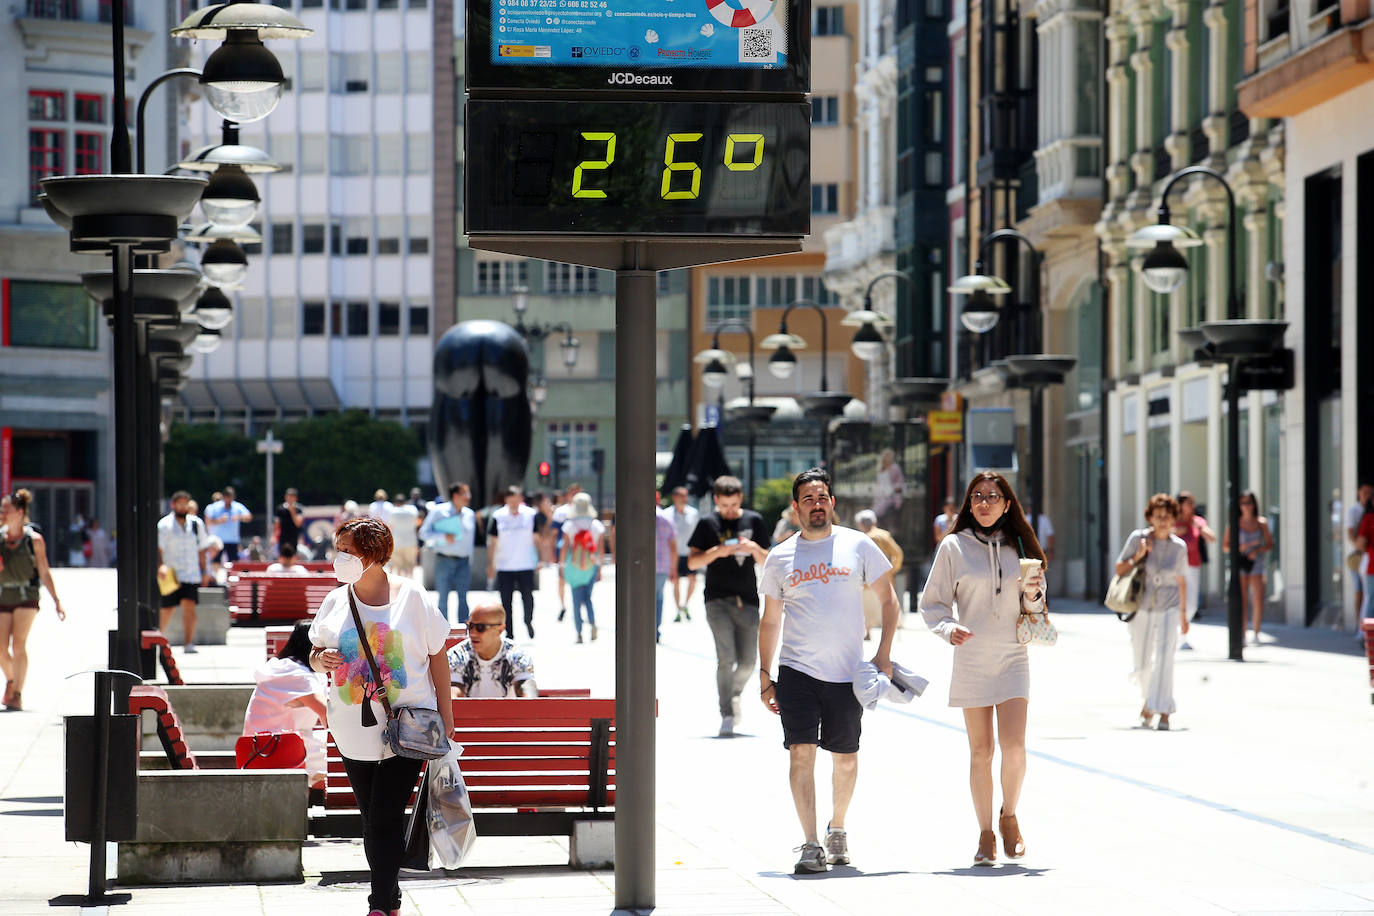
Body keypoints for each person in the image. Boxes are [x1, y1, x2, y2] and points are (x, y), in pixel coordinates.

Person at [307, 515, 453, 916]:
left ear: (374, 556)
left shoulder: (413, 597)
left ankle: (377, 904)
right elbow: (314, 654)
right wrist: (322, 660)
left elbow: (438, 654)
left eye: (348, 551)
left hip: (408, 728)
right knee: (372, 817)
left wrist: (446, 715)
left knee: (386, 815)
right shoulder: (336, 600)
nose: (339, 559)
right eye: (338, 550)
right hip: (350, 729)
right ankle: (392, 902)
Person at [758, 469, 897, 873]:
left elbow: (889, 602)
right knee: (801, 753)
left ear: (832, 503)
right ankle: (810, 843)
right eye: (808, 498)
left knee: (846, 757)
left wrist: (884, 654)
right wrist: (765, 675)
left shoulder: (859, 545)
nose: (816, 504)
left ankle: (837, 827)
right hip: (797, 671)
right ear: (796, 506)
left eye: (822, 497)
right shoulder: (780, 556)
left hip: (847, 672)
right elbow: (770, 621)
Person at [919, 471, 1048, 866]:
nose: (985, 503)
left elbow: (1038, 610)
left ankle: (1008, 815)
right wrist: (948, 627)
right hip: (972, 658)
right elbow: (933, 604)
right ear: (969, 503)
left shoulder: (1021, 547)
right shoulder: (953, 547)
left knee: (1013, 749)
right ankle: (985, 834)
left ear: (1007, 504)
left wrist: (1034, 594)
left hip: (1013, 656)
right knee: (981, 752)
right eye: (977, 496)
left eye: (993, 496)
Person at [688, 475, 771, 737]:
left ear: (741, 499)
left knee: (748, 661)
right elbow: (691, 563)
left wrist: (753, 547)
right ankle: (727, 712)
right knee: (726, 658)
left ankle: (733, 693)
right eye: (724, 506)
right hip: (717, 600)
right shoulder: (707, 523)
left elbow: (768, 561)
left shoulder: (753, 521)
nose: (729, 511)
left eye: (734, 506)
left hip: (747, 600)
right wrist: (717, 551)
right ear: (716, 501)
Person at [1116, 494, 1189, 730]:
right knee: (1143, 663)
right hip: (1142, 605)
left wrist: (1184, 615)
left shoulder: (1179, 547)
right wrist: (1139, 555)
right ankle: (1149, 702)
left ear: (1173, 518)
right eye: (1158, 516)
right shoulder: (1138, 539)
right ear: (1150, 517)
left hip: (1169, 605)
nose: (1163, 521)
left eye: (1167, 516)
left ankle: (1164, 709)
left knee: (1166, 657)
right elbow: (1119, 568)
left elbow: (1181, 580)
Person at [0, 489, 66, 712]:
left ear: (19, 512)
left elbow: (44, 572)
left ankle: (17, 693)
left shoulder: (34, 540)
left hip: (27, 596)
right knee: (1, 648)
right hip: (3, 595)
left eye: (6, 509)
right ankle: (11, 679)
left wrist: (56, 600)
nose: (2, 512)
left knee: (18, 644)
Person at [242, 620, 328, 789]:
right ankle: (322, 805)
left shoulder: (285, 667)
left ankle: (316, 803)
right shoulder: (297, 675)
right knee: (334, 755)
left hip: (262, 746)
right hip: (274, 748)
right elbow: (328, 715)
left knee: (326, 748)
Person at [157, 490, 211, 655]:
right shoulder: (164, 525)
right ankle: (159, 640)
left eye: (185, 503)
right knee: (167, 608)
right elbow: (159, 549)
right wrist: (160, 566)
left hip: (191, 572)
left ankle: (189, 643)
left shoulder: (196, 524)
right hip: (171, 573)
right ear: (174, 505)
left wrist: (205, 571)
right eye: (179, 503)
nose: (182, 506)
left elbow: (203, 549)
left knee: (189, 607)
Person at [448, 603, 538, 697]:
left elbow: (527, 688)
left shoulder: (517, 656)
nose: (473, 633)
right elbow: (453, 689)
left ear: (500, 629)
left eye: (480, 627)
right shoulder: (457, 655)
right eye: (470, 626)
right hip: (467, 712)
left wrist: (530, 698)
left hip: (508, 712)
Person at [420, 483, 478, 625]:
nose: (468, 497)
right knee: (443, 599)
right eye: (465, 493)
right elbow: (423, 533)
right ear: (455, 496)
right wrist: (443, 536)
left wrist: (470, 560)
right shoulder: (439, 511)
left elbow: (470, 541)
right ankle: (442, 632)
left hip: (464, 561)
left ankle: (464, 631)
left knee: (463, 598)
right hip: (444, 560)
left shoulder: (469, 514)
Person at [487, 485, 540, 640]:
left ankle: (528, 621)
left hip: (525, 564)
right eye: (511, 500)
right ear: (506, 500)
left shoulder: (530, 514)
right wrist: (491, 564)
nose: (514, 503)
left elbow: (537, 538)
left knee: (528, 597)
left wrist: (541, 558)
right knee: (506, 602)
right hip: (505, 566)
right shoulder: (498, 516)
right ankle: (510, 633)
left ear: (521, 499)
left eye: (517, 499)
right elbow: (493, 542)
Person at [1223, 490, 1275, 646]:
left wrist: (1256, 549)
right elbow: (1225, 547)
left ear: (1254, 504)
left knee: (1258, 599)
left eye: (1249, 503)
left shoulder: (1261, 523)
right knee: (1243, 599)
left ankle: (1257, 633)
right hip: (1240, 563)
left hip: (1256, 563)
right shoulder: (1234, 523)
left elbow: (1270, 544)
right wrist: (1242, 547)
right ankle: (1243, 634)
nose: (1246, 506)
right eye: (1243, 503)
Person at [560, 492, 605, 644]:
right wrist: (599, 568)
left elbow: (565, 547)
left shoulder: (569, 526)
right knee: (587, 598)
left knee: (576, 600)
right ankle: (592, 623)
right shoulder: (596, 525)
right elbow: (600, 550)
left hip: (573, 566)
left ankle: (579, 633)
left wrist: (561, 566)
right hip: (591, 565)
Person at [1174, 491, 1216, 650]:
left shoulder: (1197, 521)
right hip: (1175, 567)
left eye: (1193, 502)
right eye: (1189, 503)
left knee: (1191, 604)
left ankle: (1182, 634)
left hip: (1193, 566)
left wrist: (1199, 527)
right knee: (1176, 601)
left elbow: (1212, 538)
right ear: (1180, 505)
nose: (1192, 506)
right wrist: (1174, 532)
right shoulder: (1173, 522)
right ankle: (1176, 634)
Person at [855, 509, 905, 639]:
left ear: (861, 524)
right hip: (882, 578)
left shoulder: (863, 538)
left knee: (866, 607)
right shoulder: (883, 535)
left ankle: (868, 631)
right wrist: (891, 570)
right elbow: (897, 553)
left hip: (867, 580)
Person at [667, 486, 700, 621]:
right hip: (674, 554)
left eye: (686, 496)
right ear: (675, 497)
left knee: (693, 580)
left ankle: (685, 605)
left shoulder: (694, 513)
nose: (685, 499)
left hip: (690, 553)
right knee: (676, 582)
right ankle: (677, 610)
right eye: (682, 496)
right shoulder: (667, 514)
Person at [204, 486, 252, 566]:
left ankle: (231, 578)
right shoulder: (214, 507)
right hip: (218, 540)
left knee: (233, 563)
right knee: (216, 562)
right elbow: (207, 522)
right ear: (223, 497)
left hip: (232, 540)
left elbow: (249, 517)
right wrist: (219, 520)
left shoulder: (237, 507)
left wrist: (239, 517)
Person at [653, 495, 678, 641]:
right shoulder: (667, 518)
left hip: (642, 566)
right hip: (662, 566)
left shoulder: (638, 517)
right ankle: (655, 629)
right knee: (658, 598)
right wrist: (673, 568)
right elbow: (673, 547)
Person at [1347, 483, 1373, 628]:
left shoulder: (1368, 515)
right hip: (1360, 559)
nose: (1367, 496)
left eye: (1370, 493)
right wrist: (1363, 551)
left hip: (1368, 559)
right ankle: (1362, 629)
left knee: (1368, 597)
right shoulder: (1358, 513)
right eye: (1365, 492)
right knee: (1362, 594)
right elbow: (1353, 537)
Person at [384, 492, 420, 579]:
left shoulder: (392, 512)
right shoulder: (413, 510)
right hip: (411, 541)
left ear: (396, 503)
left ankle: (401, 584)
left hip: (397, 542)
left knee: (398, 566)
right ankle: (409, 580)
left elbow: (390, 527)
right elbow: (417, 522)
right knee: (410, 565)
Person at [1355, 490, 1374, 632]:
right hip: (1371, 566)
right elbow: (1360, 543)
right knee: (1370, 601)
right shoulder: (1368, 518)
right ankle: (1366, 635)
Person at [873, 448, 904, 530]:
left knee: (877, 513)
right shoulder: (880, 468)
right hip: (880, 496)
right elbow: (878, 484)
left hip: (889, 497)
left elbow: (899, 484)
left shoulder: (895, 468)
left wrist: (897, 499)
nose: (889, 458)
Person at [274, 487, 305, 554]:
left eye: (292, 496)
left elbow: (298, 523)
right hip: (283, 536)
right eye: (289, 496)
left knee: (293, 555)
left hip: (294, 537)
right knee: (282, 554)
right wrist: (274, 536)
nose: (290, 498)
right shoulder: (280, 509)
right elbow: (276, 523)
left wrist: (292, 510)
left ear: (296, 498)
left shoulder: (299, 509)